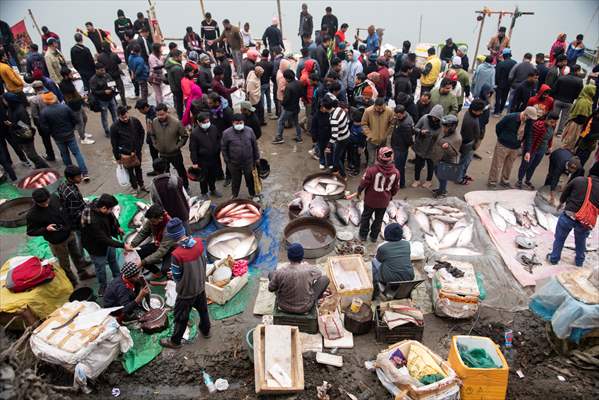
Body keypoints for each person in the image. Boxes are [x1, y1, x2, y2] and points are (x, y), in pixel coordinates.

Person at [160, 218, 211, 349]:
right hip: (200, 286)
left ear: (172, 237)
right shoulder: (199, 243)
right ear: (183, 231)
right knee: (203, 310)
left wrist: (174, 275)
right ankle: (206, 331)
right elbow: (202, 262)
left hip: (186, 292)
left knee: (181, 317)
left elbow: (177, 276)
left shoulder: (177, 255)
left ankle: (175, 341)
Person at [26, 188, 88, 285]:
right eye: (42, 204)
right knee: (65, 264)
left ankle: (83, 273)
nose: (46, 204)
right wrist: (46, 229)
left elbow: (64, 211)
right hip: (57, 242)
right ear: (35, 201)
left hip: (69, 233)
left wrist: (70, 226)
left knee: (77, 255)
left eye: (47, 201)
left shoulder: (54, 198)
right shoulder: (32, 215)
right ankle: (72, 282)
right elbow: (30, 231)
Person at [547, 163, 599, 267]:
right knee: (580, 241)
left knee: (560, 238)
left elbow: (565, 194)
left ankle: (554, 258)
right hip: (585, 221)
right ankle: (579, 261)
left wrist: (561, 203)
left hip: (569, 216)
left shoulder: (579, 180)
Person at [82, 194, 133, 295]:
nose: (111, 211)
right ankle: (103, 286)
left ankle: (118, 278)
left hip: (107, 241)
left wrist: (117, 227)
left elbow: (111, 216)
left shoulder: (100, 205)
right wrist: (122, 245)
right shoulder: (92, 221)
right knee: (100, 268)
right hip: (96, 248)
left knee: (113, 261)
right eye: (110, 209)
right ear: (104, 207)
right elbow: (103, 239)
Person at [39, 92, 90, 180]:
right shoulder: (65, 107)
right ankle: (84, 173)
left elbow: (44, 128)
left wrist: (52, 133)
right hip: (69, 134)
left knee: (65, 154)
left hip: (58, 137)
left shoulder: (44, 112)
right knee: (77, 153)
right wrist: (71, 128)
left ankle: (71, 174)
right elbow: (75, 119)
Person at [268, 243, 330, 314]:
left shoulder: (280, 271)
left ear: (288, 257)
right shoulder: (308, 269)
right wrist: (307, 265)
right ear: (302, 257)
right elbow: (319, 273)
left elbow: (271, 288)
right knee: (325, 279)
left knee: (271, 274)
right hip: (305, 307)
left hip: (283, 306)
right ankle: (315, 301)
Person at [354, 147, 400, 241]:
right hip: (383, 202)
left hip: (370, 201)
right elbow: (395, 188)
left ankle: (363, 235)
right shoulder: (396, 172)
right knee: (379, 219)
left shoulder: (371, 170)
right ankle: (374, 236)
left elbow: (363, 183)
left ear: (378, 157)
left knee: (365, 217)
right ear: (391, 159)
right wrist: (390, 196)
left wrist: (359, 192)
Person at [487, 106, 538, 188]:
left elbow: (529, 136)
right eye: (529, 118)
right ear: (525, 115)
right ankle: (492, 181)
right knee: (497, 164)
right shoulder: (510, 117)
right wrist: (502, 138)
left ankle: (504, 180)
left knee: (509, 166)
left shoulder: (529, 122)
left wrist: (528, 151)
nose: (530, 120)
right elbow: (498, 127)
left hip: (516, 147)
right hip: (503, 144)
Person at [56, 165, 90, 271]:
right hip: (75, 222)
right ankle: (82, 260)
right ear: (70, 178)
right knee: (81, 239)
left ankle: (81, 258)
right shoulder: (72, 194)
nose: (80, 178)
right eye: (78, 177)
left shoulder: (63, 185)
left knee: (79, 239)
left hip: (70, 217)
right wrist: (87, 216)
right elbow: (75, 212)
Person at [2, 92, 48, 170]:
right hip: (18, 136)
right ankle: (39, 166)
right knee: (29, 154)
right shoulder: (11, 108)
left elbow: (25, 125)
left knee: (32, 155)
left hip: (25, 136)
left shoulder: (21, 111)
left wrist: (12, 124)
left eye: (4, 100)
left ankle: (45, 167)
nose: (3, 101)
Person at [151, 103, 190, 190]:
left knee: (181, 170)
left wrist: (177, 146)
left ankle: (185, 187)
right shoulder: (154, 122)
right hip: (162, 154)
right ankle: (167, 188)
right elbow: (152, 135)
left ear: (167, 112)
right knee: (164, 174)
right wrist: (156, 145)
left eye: (162, 114)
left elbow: (184, 136)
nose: (160, 117)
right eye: (158, 115)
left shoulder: (176, 123)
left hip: (175, 154)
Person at [516, 113, 559, 190]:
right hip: (533, 147)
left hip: (542, 149)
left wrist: (549, 147)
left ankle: (527, 180)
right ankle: (519, 180)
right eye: (552, 122)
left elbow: (550, 137)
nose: (553, 124)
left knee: (534, 165)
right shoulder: (538, 125)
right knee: (526, 164)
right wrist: (528, 152)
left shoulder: (552, 126)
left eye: (555, 122)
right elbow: (531, 140)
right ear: (546, 119)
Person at [110, 106, 147, 194]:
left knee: (138, 168)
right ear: (118, 116)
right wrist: (117, 158)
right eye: (123, 118)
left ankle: (141, 185)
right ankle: (134, 188)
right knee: (130, 171)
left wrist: (139, 146)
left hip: (137, 151)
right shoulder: (114, 127)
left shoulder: (134, 121)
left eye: (126, 116)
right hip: (125, 154)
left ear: (128, 113)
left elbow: (142, 132)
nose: (125, 119)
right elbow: (114, 144)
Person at [131, 204, 176, 274]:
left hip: (171, 248)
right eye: (150, 221)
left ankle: (162, 268)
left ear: (161, 218)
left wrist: (143, 262)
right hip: (158, 243)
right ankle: (157, 272)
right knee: (137, 254)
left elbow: (162, 251)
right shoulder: (151, 220)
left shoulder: (170, 228)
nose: (151, 223)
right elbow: (143, 232)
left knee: (166, 270)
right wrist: (132, 244)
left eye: (153, 222)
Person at [150, 158, 190, 232]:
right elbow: (187, 197)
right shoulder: (177, 179)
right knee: (186, 235)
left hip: (168, 219)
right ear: (166, 168)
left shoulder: (153, 186)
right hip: (183, 213)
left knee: (175, 237)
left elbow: (154, 204)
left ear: (155, 170)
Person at [372, 223, 414, 295]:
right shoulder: (407, 243)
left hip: (389, 280)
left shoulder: (382, 247)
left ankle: (376, 287)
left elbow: (379, 260)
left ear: (386, 234)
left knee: (374, 262)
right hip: (409, 277)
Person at [190, 112, 222, 199]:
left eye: (208, 121)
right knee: (203, 177)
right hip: (202, 159)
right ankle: (204, 192)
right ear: (198, 122)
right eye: (204, 122)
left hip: (214, 157)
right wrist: (195, 161)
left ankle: (213, 189)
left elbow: (219, 139)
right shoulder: (194, 133)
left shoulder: (214, 128)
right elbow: (193, 149)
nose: (206, 124)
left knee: (213, 175)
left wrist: (218, 148)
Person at [59, 68, 93, 145]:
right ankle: (83, 138)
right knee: (79, 122)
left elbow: (75, 93)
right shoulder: (64, 85)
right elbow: (70, 99)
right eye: (71, 74)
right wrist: (81, 98)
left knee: (84, 118)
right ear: (66, 76)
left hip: (78, 104)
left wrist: (81, 99)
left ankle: (83, 133)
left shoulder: (69, 82)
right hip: (73, 106)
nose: (72, 75)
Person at [430, 114, 461, 198]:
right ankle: (441, 188)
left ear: (452, 127)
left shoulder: (457, 138)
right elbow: (437, 137)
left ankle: (443, 191)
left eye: (446, 127)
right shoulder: (443, 131)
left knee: (442, 177)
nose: (443, 129)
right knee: (437, 174)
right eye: (443, 126)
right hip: (437, 158)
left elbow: (454, 154)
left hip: (445, 161)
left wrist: (447, 148)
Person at [412, 104, 444, 188]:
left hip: (432, 148)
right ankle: (416, 180)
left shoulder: (441, 124)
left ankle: (428, 181)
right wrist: (421, 131)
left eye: (436, 118)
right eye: (433, 116)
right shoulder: (424, 118)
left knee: (430, 165)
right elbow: (415, 128)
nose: (434, 119)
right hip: (420, 145)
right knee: (418, 164)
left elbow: (442, 136)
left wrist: (436, 138)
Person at [560, 84, 596, 151]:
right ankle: (564, 153)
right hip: (577, 123)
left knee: (571, 139)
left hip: (576, 122)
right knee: (571, 139)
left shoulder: (586, 99)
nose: (594, 92)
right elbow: (582, 115)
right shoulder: (584, 101)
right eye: (593, 90)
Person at [457, 99, 484, 185]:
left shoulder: (470, 114)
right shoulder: (470, 121)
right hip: (468, 144)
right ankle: (459, 178)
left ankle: (462, 175)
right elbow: (470, 135)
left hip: (468, 143)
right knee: (464, 162)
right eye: (480, 111)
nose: (481, 112)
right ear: (474, 111)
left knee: (466, 161)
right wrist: (475, 144)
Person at [273, 70, 304, 144]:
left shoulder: (288, 87)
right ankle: (299, 137)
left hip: (288, 108)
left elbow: (286, 99)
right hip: (296, 106)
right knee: (296, 123)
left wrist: (282, 103)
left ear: (287, 78)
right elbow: (301, 94)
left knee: (280, 121)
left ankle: (279, 137)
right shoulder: (299, 83)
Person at [552, 65, 584, 136]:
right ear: (577, 71)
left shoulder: (562, 78)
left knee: (554, 115)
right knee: (564, 118)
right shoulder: (579, 81)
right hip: (569, 102)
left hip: (558, 100)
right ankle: (559, 133)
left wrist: (556, 96)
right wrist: (573, 98)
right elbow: (579, 94)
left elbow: (554, 89)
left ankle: (551, 129)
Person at [361, 97, 394, 166]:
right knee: (371, 160)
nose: (381, 110)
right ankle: (370, 175)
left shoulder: (389, 111)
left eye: (382, 108)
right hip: (371, 141)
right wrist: (369, 134)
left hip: (383, 141)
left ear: (384, 105)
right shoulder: (368, 111)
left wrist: (386, 134)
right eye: (379, 108)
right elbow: (364, 124)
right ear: (375, 106)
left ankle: (380, 174)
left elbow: (392, 124)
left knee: (382, 160)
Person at [89, 62, 118, 137]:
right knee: (104, 116)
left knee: (115, 114)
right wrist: (104, 92)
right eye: (101, 70)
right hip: (102, 101)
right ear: (96, 70)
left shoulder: (107, 75)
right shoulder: (93, 80)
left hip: (111, 98)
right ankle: (107, 131)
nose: (103, 72)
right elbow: (94, 91)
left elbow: (113, 83)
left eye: (104, 70)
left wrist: (113, 88)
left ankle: (117, 128)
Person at [390, 105, 414, 188]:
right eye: (396, 115)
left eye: (398, 115)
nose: (396, 117)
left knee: (399, 167)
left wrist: (408, 145)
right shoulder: (403, 117)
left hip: (401, 148)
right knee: (399, 166)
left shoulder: (405, 124)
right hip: (397, 145)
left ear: (403, 113)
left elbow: (408, 139)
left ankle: (400, 183)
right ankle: (399, 182)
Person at [97, 43, 126, 107]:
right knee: (121, 90)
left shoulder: (100, 57)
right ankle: (124, 104)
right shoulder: (114, 54)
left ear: (102, 48)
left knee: (112, 91)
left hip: (109, 77)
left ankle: (115, 104)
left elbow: (99, 66)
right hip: (117, 75)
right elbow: (119, 61)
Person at [494, 48, 517, 115]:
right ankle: (501, 110)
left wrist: (496, 83)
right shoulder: (515, 63)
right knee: (504, 97)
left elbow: (497, 75)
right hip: (509, 84)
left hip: (500, 84)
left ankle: (496, 112)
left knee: (498, 98)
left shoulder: (500, 64)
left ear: (504, 55)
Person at [166, 49, 185, 119]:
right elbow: (179, 82)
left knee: (177, 102)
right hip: (177, 89)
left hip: (173, 87)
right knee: (180, 104)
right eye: (180, 56)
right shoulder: (176, 68)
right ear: (175, 57)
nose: (182, 58)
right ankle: (181, 117)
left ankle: (180, 115)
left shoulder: (170, 63)